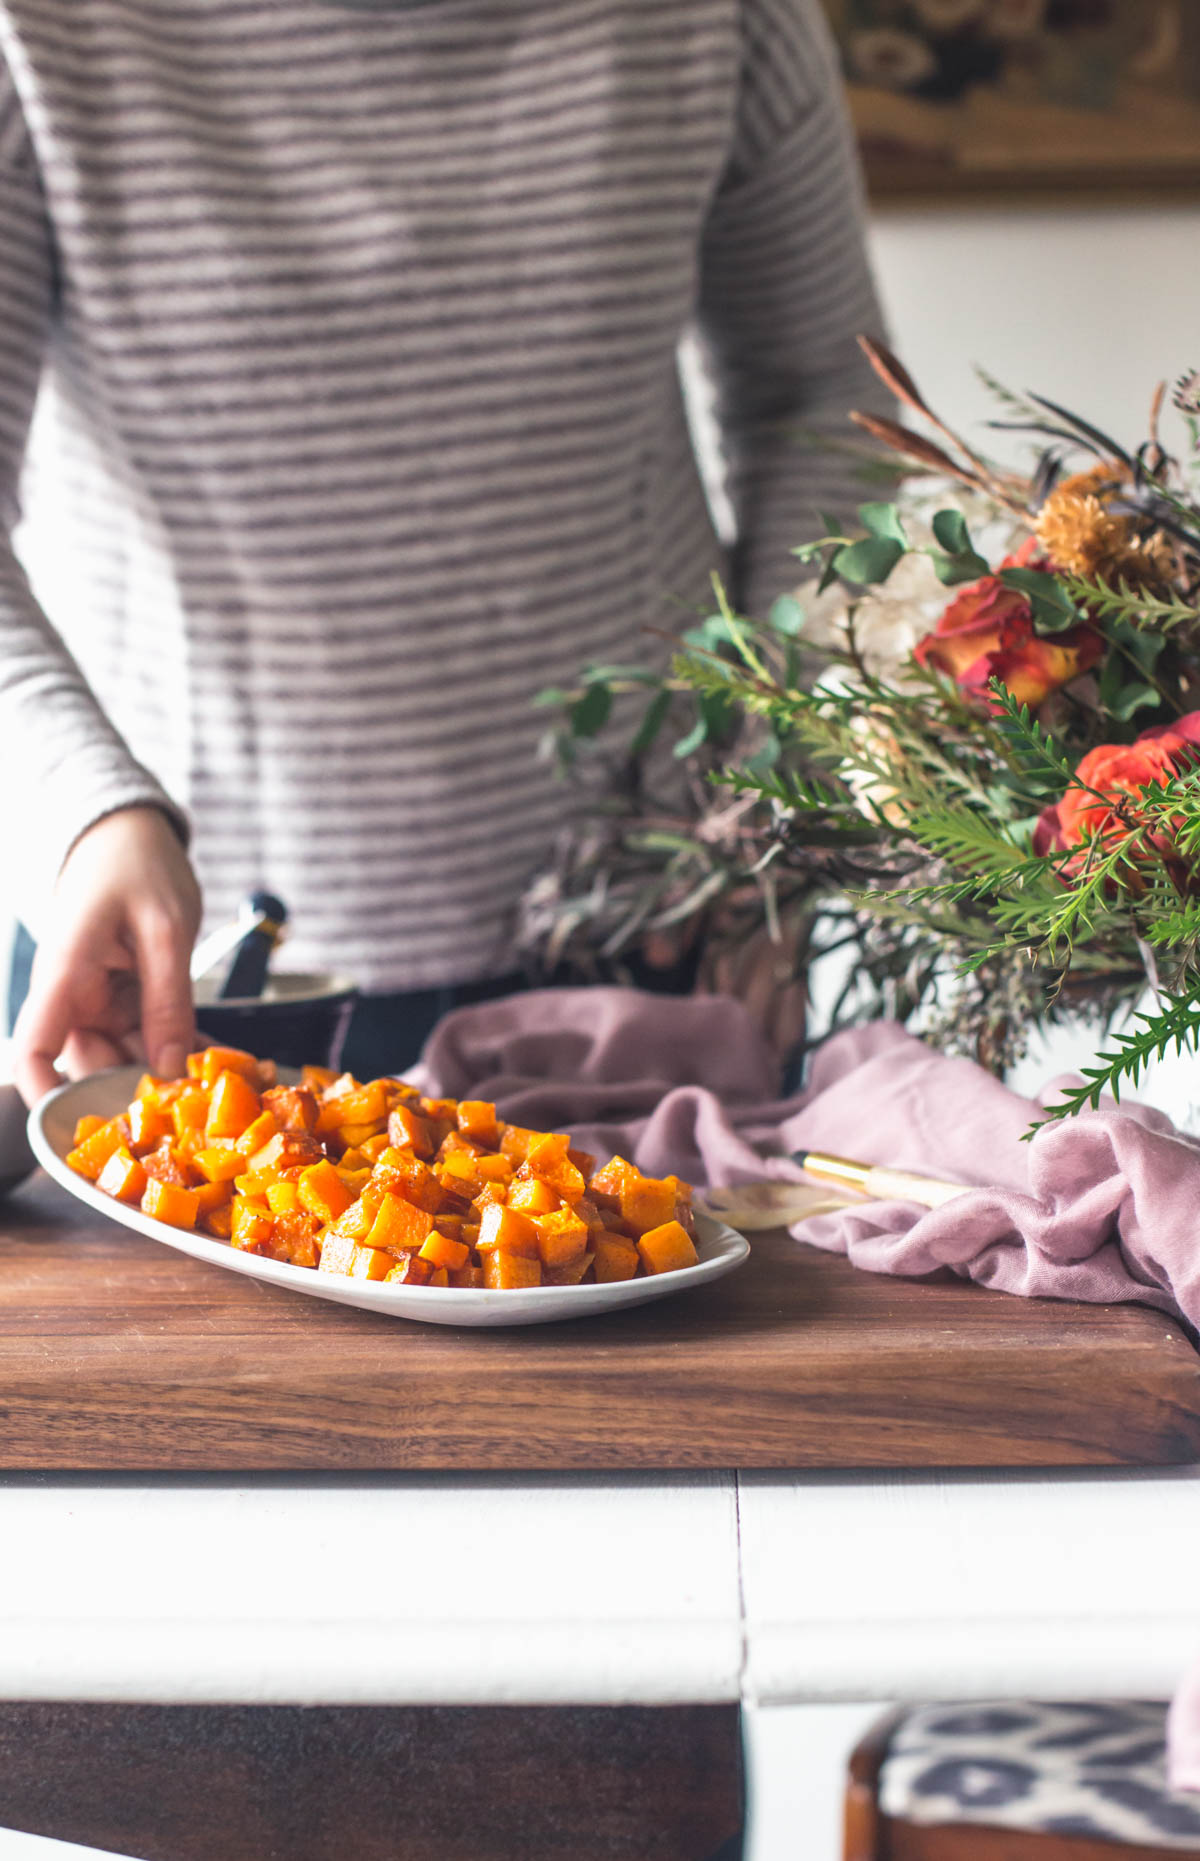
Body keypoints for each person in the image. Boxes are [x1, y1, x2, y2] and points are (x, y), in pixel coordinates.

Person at [0, 0, 888, 1104]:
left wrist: (773, 794)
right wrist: (87, 808)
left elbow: (826, 401)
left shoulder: (719, 18)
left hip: (656, 950)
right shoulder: (36, 31)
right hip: (177, 976)